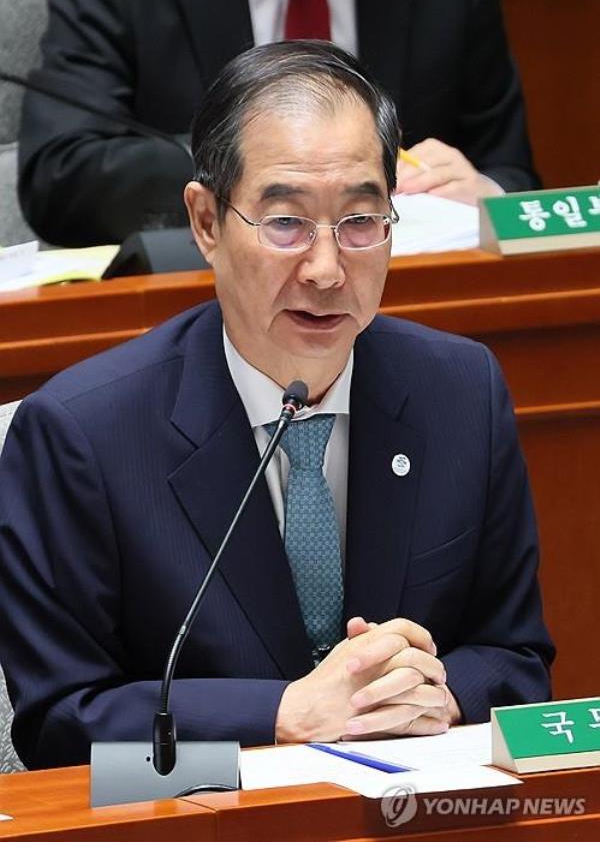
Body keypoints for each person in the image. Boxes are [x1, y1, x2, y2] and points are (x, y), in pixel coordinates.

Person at [0, 41, 553, 769]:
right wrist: (282, 715)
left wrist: (435, 691)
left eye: (361, 221)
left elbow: (519, 659)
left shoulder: (462, 392)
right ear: (205, 223)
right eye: (286, 223)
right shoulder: (81, 435)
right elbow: (62, 732)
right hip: (199, 814)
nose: (327, 270)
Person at [18, 0, 539, 247]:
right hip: (194, 323)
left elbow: (511, 172)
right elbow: (62, 171)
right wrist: (253, 177)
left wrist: (486, 194)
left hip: (418, 313)